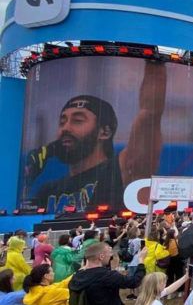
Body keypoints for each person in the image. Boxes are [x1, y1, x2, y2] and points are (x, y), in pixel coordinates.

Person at [27, 62, 166, 213]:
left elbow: (149, 113)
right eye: (62, 121)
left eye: (77, 120)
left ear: (104, 132)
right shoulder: (48, 190)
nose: (65, 128)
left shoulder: (119, 169)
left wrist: (154, 63)